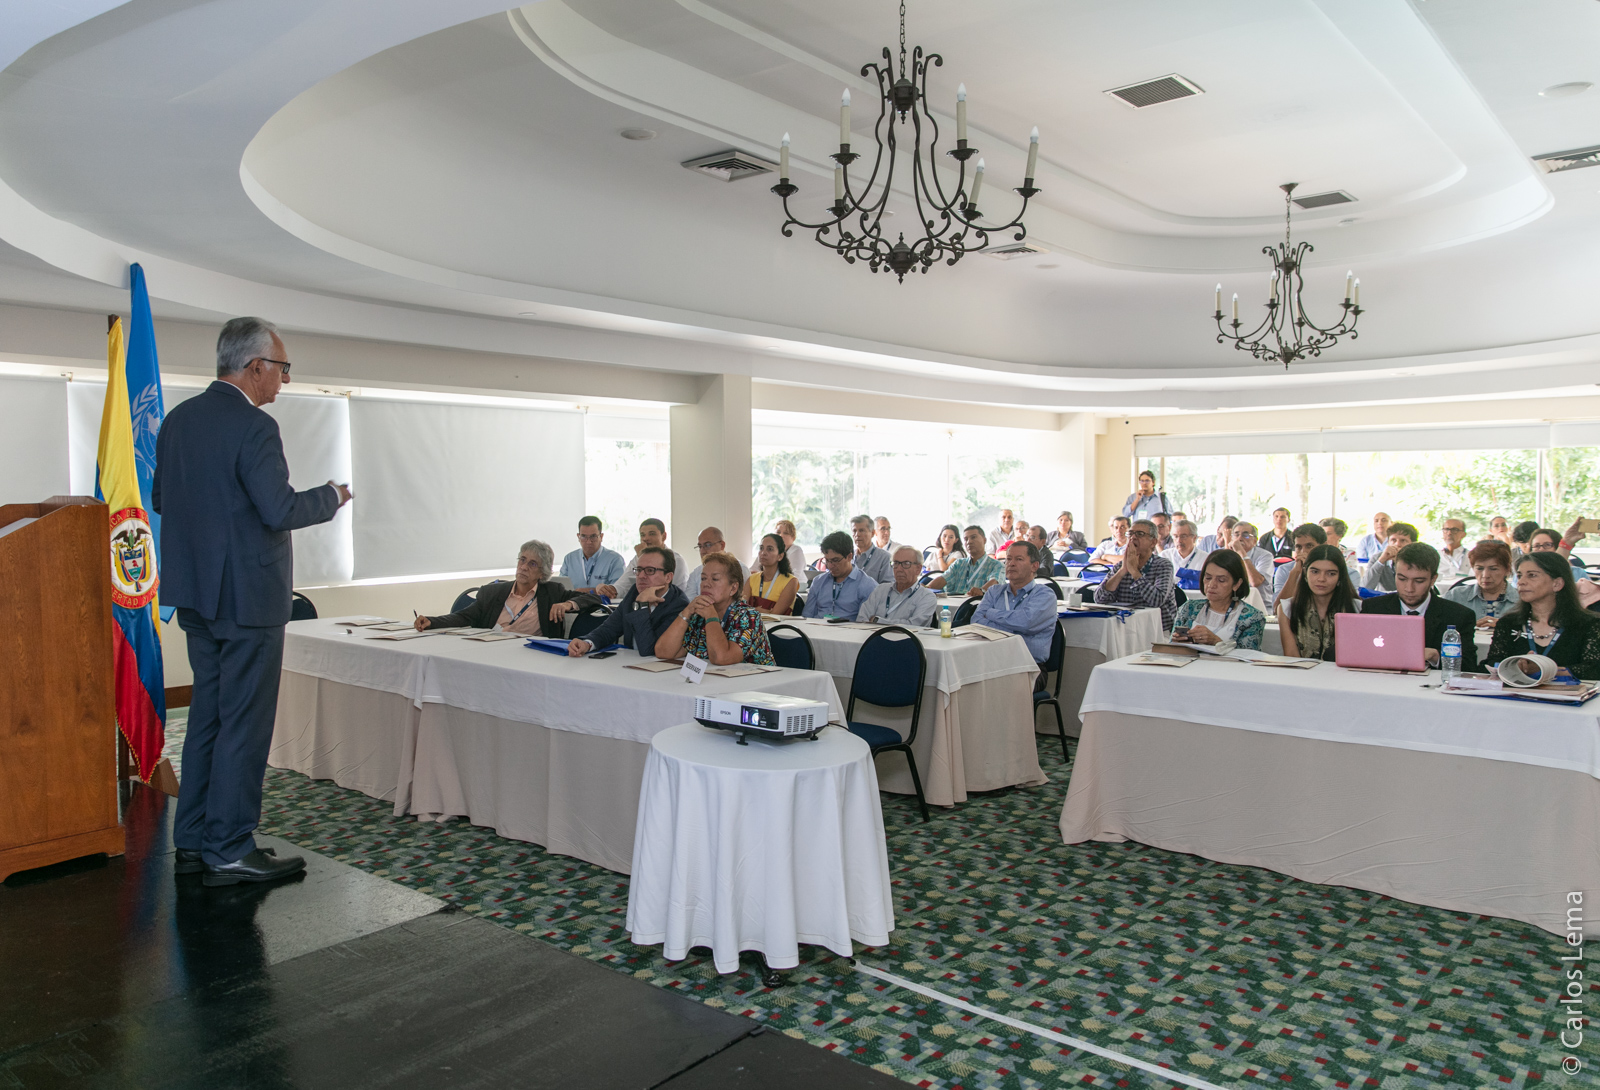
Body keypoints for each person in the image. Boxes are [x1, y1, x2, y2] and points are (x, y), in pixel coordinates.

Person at [154, 316, 351, 885]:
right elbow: (280, 510)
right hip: (247, 601)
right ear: (256, 366)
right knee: (245, 724)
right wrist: (331, 496)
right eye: (283, 369)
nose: (284, 382)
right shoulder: (255, 428)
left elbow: (165, 498)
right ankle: (231, 846)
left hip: (196, 597)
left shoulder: (178, 420)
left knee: (209, 718)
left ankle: (193, 836)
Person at [417, 539, 598, 635]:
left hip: (531, 656)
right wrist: (432, 622)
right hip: (493, 652)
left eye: (533, 564)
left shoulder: (552, 592)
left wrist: (568, 604)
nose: (524, 566)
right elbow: (464, 616)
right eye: (522, 560)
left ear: (542, 573)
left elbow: (594, 598)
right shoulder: (493, 592)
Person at [1361, 543, 1481, 671]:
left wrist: (1436, 656)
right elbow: (1358, 652)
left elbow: (1469, 666)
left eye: (1419, 581)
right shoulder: (1373, 608)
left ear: (1433, 579)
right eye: (1402, 579)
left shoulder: (1458, 616)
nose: (1409, 588)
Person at [1486, 551, 1600, 680]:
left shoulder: (1589, 624)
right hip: (1515, 695)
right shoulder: (1508, 623)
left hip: (1568, 697)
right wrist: (1513, 666)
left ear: (1557, 584)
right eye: (1519, 575)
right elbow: (1491, 663)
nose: (1521, 582)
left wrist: (1546, 670)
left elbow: (1593, 669)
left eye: (1532, 575)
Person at [566, 545, 689, 657]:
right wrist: (587, 643)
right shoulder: (634, 592)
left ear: (668, 577)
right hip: (630, 666)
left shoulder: (678, 605)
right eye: (639, 570)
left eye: (650, 570)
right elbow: (609, 629)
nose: (641, 576)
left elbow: (648, 650)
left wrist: (641, 606)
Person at [656, 552, 775, 665]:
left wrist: (711, 617)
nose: (706, 584)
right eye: (703, 578)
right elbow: (664, 652)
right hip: (711, 681)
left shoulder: (748, 616)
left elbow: (721, 658)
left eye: (715, 579)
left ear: (733, 588)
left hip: (753, 683)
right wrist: (686, 612)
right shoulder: (698, 615)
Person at [971, 541, 1059, 660]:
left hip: (1028, 666)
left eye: (1019, 559)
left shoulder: (1044, 595)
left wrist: (991, 613)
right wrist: (1017, 633)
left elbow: (1026, 623)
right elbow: (976, 621)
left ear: (1034, 566)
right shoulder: (994, 591)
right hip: (991, 660)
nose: (1011, 564)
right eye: (1008, 559)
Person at [1167, 550, 1265, 650]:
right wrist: (1177, 642)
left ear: (1237, 584)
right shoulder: (1188, 608)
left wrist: (1216, 642)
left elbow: (1249, 657)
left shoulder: (1252, 618)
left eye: (1221, 580)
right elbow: (1171, 648)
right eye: (1208, 577)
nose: (1211, 585)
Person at [1276, 545, 1359, 660]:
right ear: (1305, 573)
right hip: (1301, 675)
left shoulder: (1357, 608)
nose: (1321, 579)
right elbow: (1292, 658)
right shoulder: (1286, 608)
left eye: (1331, 573)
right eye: (1315, 572)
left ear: (1340, 577)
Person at [1093, 518, 1178, 628]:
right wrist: (1122, 571)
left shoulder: (1163, 565)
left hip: (1157, 629)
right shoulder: (1120, 566)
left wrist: (1134, 572)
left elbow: (1157, 600)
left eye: (1140, 534)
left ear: (1153, 542)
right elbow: (1099, 599)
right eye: (1131, 534)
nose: (1133, 537)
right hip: (1126, 626)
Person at [599, 518, 688, 598]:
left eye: (652, 534)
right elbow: (624, 583)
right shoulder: (638, 557)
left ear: (664, 536)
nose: (646, 539)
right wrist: (610, 590)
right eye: (642, 535)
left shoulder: (677, 560)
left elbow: (677, 592)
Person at [803, 531, 877, 618]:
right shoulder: (818, 582)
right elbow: (807, 617)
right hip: (816, 629)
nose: (830, 566)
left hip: (849, 630)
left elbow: (864, 623)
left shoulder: (867, 585)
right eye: (827, 560)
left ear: (849, 557)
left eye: (835, 560)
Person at [1445, 539, 1519, 627]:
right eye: (1479, 568)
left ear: (1507, 569)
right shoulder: (1456, 596)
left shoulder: (1521, 599)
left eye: (1493, 568)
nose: (1485, 575)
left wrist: (1505, 627)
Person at [857, 546, 938, 626]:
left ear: (918, 569)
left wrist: (877, 620)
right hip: (873, 637)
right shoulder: (881, 589)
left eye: (906, 564)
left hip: (907, 638)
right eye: (896, 563)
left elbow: (913, 626)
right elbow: (861, 619)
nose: (899, 569)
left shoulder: (927, 597)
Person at [929, 525, 1004, 596]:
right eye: (966, 539)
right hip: (954, 606)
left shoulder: (996, 565)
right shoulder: (959, 564)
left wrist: (981, 590)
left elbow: (995, 581)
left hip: (977, 607)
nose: (969, 542)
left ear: (984, 540)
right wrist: (926, 588)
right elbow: (943, 579)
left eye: (973, 537)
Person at [559, 515, 625, 592]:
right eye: (584, 536)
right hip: (573, 603)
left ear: (601, 536)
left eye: (593, 536)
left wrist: (587, 591)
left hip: (602, 603)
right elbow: (561, 588)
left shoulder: (615, 560)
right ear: (578, 537)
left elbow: (617, 591)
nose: (588, 541)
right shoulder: (569, 559)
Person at [1270, 522, 1327, 606]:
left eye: (1309, 546)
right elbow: (1277, 608)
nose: (1303, 551)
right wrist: (1296, 573)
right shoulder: (1285, 570)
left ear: (1324, 546)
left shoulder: (1341, 571)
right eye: (1299, 547)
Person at [745, 533, 800, 615]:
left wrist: (753, 610)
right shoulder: (752, 579)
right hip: (752, 626)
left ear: (780, 556)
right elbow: (741, 609)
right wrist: (761, 611)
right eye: (761, 548)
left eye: (770, 549)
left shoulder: (790, 581)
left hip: (778, 627)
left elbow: (775, 615)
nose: (763, 553)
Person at [1360, 522, 1420, 594]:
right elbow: (1365, 587)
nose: (1397, 544)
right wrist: (1381, 561)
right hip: (1384, 601)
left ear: (1413, 544)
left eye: (1403, 540)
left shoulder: (1419, 560)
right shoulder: (1378, 558)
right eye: (1393, 540)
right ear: (1388, 542)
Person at [1227, 521, 1277, 607]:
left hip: (1259, 606)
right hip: (1231, 605)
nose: (1240, 538)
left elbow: (1255, 582)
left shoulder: (1265, 556)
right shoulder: (1228, 555)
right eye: (1236, 535)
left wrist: (1242, 553)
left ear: (1255, 541)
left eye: (1245, 535)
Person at [848, 514, 893, 583]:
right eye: (854, 531)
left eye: (861, 530)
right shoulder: (848, 557)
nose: (857, 534)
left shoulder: (884, 557)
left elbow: (887, 587)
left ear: (872, 533)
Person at [685, 526, 727, 596]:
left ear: (722, 545)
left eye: (707, 545)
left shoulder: (740, 569)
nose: (702, 551)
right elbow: (689, 601)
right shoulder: (696, 573)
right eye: (700, 546)